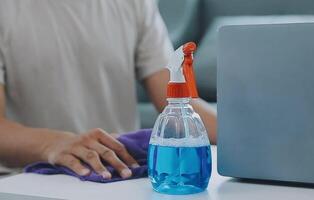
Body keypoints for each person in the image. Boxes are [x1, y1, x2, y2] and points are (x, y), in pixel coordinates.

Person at [0, 0, 217, 179]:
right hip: (28, 179)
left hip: (119, 175)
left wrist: (243, 133)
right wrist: (54, 144)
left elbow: (179, 102)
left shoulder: (135, 4)